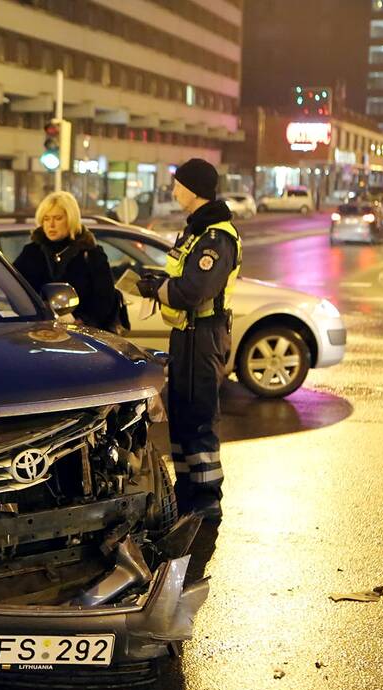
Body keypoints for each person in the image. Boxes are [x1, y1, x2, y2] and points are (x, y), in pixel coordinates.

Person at [135, 158, 241, 521]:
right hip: (187, 334)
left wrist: (158, 289)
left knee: (199, 414)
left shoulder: (217, 237)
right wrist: (158, 283)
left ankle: (207, 496)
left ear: (194, 189)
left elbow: (193, 291)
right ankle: (187, 488)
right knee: (181, 413)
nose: (174, 190)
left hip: (204, 334)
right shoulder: (197, 231)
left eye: (179, 184)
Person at [13, 190, 122, 332]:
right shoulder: (31, 252)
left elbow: (104, 298)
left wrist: (82, 320)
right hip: (39, 332)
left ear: (70, 219)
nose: (51, 225)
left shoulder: (90, 253)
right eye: (46, 218)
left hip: (83, 335)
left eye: (57, 218)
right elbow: (15, 288)